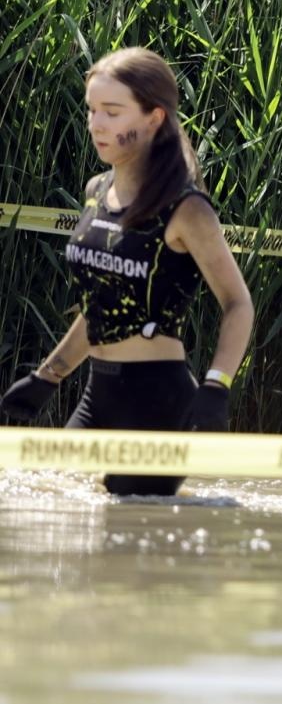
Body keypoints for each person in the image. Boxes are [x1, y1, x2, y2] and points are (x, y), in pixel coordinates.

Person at [0, 48, 254, 495]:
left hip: (157, 399)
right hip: (98, 392)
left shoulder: (186, 207)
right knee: (44, 506)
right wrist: (47, 377)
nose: (97, 124)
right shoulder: (97, 190)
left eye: (112, 112)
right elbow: (100, 304)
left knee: (131, 541)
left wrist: (217, 385)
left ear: (154, 118)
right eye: (92, 110)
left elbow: (238, 303)